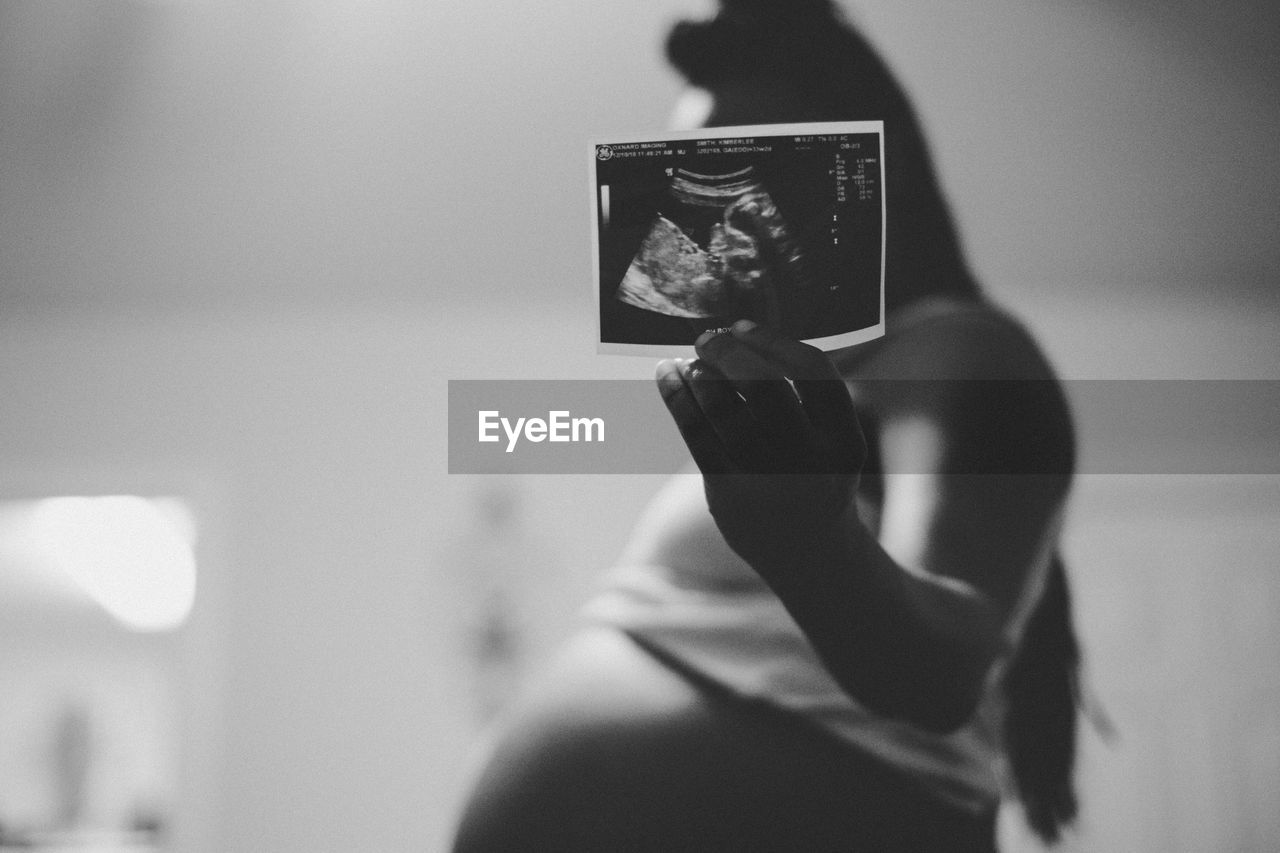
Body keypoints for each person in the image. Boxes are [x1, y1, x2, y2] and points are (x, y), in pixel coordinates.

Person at [451, 1, 1082, 849]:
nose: (705, 200)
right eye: (690, 164)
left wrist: (813, 543)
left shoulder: (959, 350)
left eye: (743, 154)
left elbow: (944, 670)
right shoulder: (794, 402)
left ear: (861, 162)